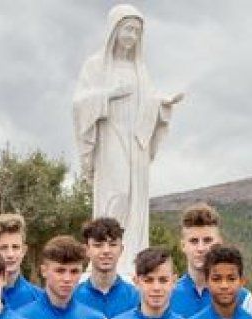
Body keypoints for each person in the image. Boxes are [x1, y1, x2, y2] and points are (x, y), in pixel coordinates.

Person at [72, 4, 183, 275]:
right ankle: (106, 255)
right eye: (127, 29)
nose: (131, 36)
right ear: (114, 30)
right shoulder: (96, 65)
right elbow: (79, 104)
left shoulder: (140, 69)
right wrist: (110, 94)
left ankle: (133, 257)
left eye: (136, 31)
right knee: (117, 193)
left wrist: (163, 103)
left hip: (137, 142)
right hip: (111, 138)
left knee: (136, 198)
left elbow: (149, 100)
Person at [170, 203, 252, 319]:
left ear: (219, 243)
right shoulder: (168, 295)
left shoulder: (243, 298)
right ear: (183, 246)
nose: (201, 248)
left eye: (207, 240)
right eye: (194, 241)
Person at [74, 216, 140, 318]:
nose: (106, 251)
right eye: (98, 245)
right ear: (87, 250)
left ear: (121, 249)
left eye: (112, 244)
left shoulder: (136, 298)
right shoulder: (73, 297)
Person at [0, 213, 45, 310]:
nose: (10, 254)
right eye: (3, 248)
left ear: (24, 251)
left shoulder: (40, 299)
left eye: (15, 247)